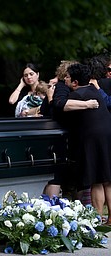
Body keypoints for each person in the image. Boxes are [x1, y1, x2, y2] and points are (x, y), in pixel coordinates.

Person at [42, 60, 99, 203]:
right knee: (60, 175)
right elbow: (59, 108)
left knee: (65, 175)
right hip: (63, 136)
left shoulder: (67, 89)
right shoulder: (62, 88)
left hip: (67, 135)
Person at [66, 63, 111, 224]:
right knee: (108, 179)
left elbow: (63, 108)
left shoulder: (77, 94)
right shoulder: (94, 90)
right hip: (108, 133)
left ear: (75, 82)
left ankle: (97, 219)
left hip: (93, 137)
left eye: (67, 77)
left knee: (97, 179)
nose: (65, 79)